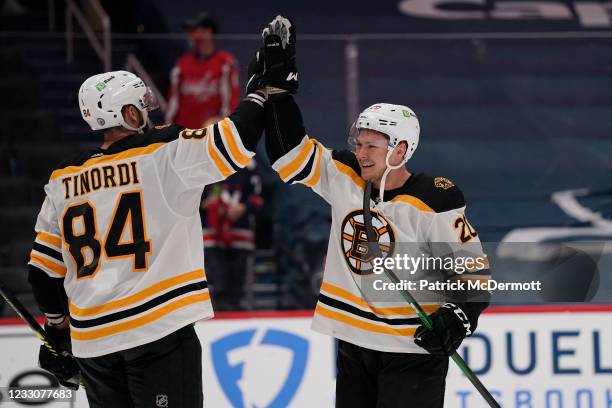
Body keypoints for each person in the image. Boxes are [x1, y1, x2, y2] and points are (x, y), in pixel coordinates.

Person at [26, 16, 294, 406]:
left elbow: (41, 274)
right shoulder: (163, 154)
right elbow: (235, 140)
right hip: (156, 335)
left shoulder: (63, 179)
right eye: (140, 106)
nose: (148, 113)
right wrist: (260, 94)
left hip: (94, 345)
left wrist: (57, 329)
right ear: (130, 115)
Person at [262, 17, 490, 408]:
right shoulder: (345, 174)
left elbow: (474, 274)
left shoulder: (434, 199)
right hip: (355, 342)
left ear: (401, 150)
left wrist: (459, 316)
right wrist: (280, 94)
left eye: (373, 146)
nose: (361, 152)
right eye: (360, 142)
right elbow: (288, 153)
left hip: (413, 348)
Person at [201, 160, 263, 310]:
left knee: (237, 280)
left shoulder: (250, 164)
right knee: (217, 278)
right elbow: (193, 198)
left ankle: (235, 315)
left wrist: (244, 207)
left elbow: (259, 197)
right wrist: (207, 203)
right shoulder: (207, 159)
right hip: (213, 234)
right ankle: (219, 314)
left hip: (240, 233)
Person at [165, 12, 240, 129]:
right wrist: (168, 130)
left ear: (209, 32)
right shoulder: (182, 63)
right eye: (191, 32)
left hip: (210, 136)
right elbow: (172, 104)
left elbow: (230, 105)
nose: (192, 36)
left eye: (196, 30)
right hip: (183, 135)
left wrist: (222, 128)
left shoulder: (225, 63)